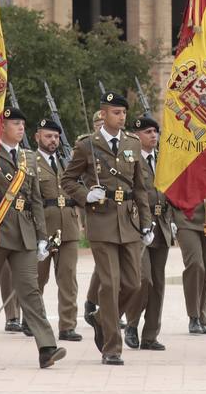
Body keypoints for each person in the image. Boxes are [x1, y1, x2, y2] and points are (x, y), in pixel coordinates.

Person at [0, 106, 67, 369]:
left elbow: (35, 201)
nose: (20, 128)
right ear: (2, 127)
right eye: (15, 123)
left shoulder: (28, 159)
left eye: (22, 124)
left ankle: (46, 347)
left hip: (23, 231)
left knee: (30, 290)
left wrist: (42, 237)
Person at [62, 92, 153, 366]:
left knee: (134, 283)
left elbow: (140, 188)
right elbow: (68, 180)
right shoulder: (87, 145)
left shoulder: (132, 144)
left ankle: (103, 319)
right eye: (115, 112)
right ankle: (112, 348)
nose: (121, 117)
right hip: (101, 221)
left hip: (129, 221)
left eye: (124, 112)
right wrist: (85, 194)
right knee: (111, 284)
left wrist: (147, 222)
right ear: (103, 115)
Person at [34, 116, 84, 343]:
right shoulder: (31, 162)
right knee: (38, 278)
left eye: (55, 136)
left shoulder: (68, 161)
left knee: (68, 278)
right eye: (48, 136)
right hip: (44, 226)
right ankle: (32, 320)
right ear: (38, 137)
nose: (53, 140)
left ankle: (67, 326)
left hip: (69, 226)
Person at [130, 114, 172, 351]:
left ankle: (150, 335)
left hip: (162, 224)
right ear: (136, 136)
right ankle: (131, 324)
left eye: (155, 132)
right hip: (139, 225)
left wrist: (173, 219)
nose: (153, 136)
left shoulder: (163, 159)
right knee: (143, 279)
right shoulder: (132, 159)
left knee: (158, 284)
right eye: (147, 132)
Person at [175, 196, 206, 336]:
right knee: (195, 265)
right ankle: (194, 316)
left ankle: (201, 317)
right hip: (185, 217)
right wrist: (170, 217)